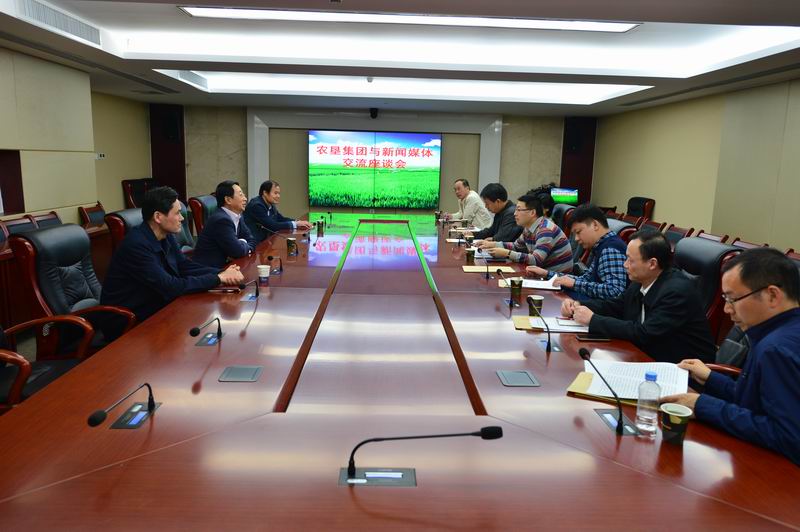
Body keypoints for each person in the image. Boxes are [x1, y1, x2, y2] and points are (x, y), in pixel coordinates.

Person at [662, 248, 800, 465]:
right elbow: (755, 400)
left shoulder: (776, 349)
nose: (726, 309)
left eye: (732, 299)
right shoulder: (779, 331)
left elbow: (788, 436)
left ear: (772, 295)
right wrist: (710, 378)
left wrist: (702, 405)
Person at [561, 231, 716, 363]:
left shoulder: (676, 292)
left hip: (683, 371)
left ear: (652, 264)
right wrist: (578, 305)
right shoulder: (641, 281)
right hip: (647, 355)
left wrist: (593, 320)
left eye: (630, 260)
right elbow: (616, 306)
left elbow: (645, 333)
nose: (625, 265)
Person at [101, 186, 244, 324]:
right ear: (158, 217)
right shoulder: (136, 245)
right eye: (177, 213)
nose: (182, 218)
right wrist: (218, 278)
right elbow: (170, 286)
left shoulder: (165, 235)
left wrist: (223, 272)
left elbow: (184, 266)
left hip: (156, 307)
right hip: (129, 319)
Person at [529, 204, 627, 300]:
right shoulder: (600, 246)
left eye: (578, 232)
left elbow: (615, 291)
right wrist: (546, 274)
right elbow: (585, 279)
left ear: (595, 225)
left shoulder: (610, 248)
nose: (576, 238)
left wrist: (574, 284)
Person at [479, 194, 573, 273]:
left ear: (532, 212)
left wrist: (507, 253)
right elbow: (516, 246)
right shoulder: (529, 228)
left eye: (519, 210)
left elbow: (536, 260)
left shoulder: (546, 230)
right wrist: (492, 244)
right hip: (540, 274)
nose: (515, 214)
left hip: (556, 279)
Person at [193, 180, 257, 269]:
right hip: (210, 270)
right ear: (228, 200)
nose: (245, 199)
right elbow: (237, 251)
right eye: (241, 195)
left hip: (228, 265)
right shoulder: (221, 220)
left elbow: (252, 240)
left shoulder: (238, 216)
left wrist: (241, 244)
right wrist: (243, 242)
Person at [243, 180, 313, 242]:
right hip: (255, 243)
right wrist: (296, 224)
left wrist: (298, 222)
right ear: (265, 193)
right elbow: (272, 226)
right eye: (275, 193)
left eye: (279, 193)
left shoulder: (270, 204)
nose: (278, 196)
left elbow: (280, 219)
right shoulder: (256, 205)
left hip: (266, 241)